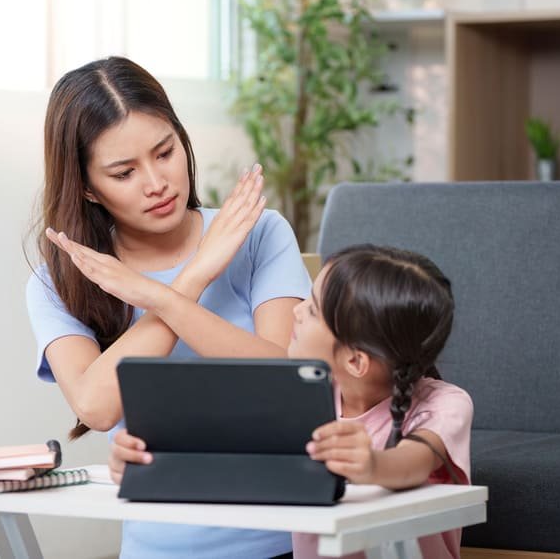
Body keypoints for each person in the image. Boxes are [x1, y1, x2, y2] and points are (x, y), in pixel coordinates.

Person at [26, 56, 311, 559]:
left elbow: (285, 383)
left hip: (284, 538)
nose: (156, 183)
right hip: (158, 545)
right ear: (89, 187)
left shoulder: (259, 233)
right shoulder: (65, 277)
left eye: (165, 152)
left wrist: (157, 294)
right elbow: (95, 405)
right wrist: (195, 275)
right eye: (124, 172)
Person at [288, 244, 473, 559]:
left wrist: (372, 465)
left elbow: (412, 462)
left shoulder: (443, 404)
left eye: (313, 309)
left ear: (356, 361)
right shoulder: (300, 397)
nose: (296, 310)